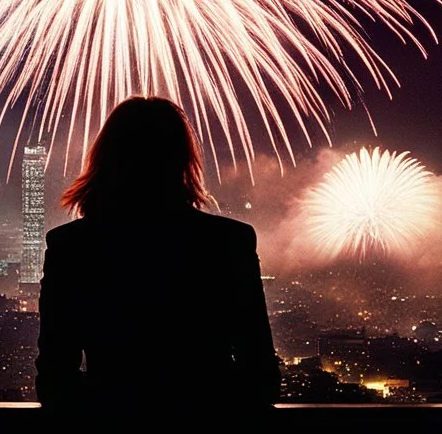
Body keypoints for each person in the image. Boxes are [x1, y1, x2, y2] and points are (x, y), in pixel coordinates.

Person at [35, 96, 281, 414]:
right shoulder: (229, 241)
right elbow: (260, 372)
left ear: (105, 160)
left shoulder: (71, 246)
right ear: (182, 161)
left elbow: (55, 377)